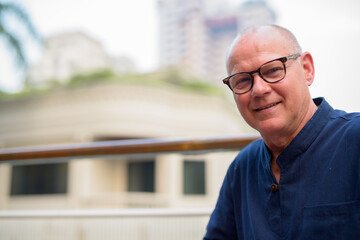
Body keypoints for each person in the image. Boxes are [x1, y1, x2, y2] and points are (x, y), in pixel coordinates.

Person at [204, 24, 360, 240]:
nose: (259, 89)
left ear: (307, 69)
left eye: (273, 70)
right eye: (242, 80)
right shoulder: (243, 167)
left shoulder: (354, 140)